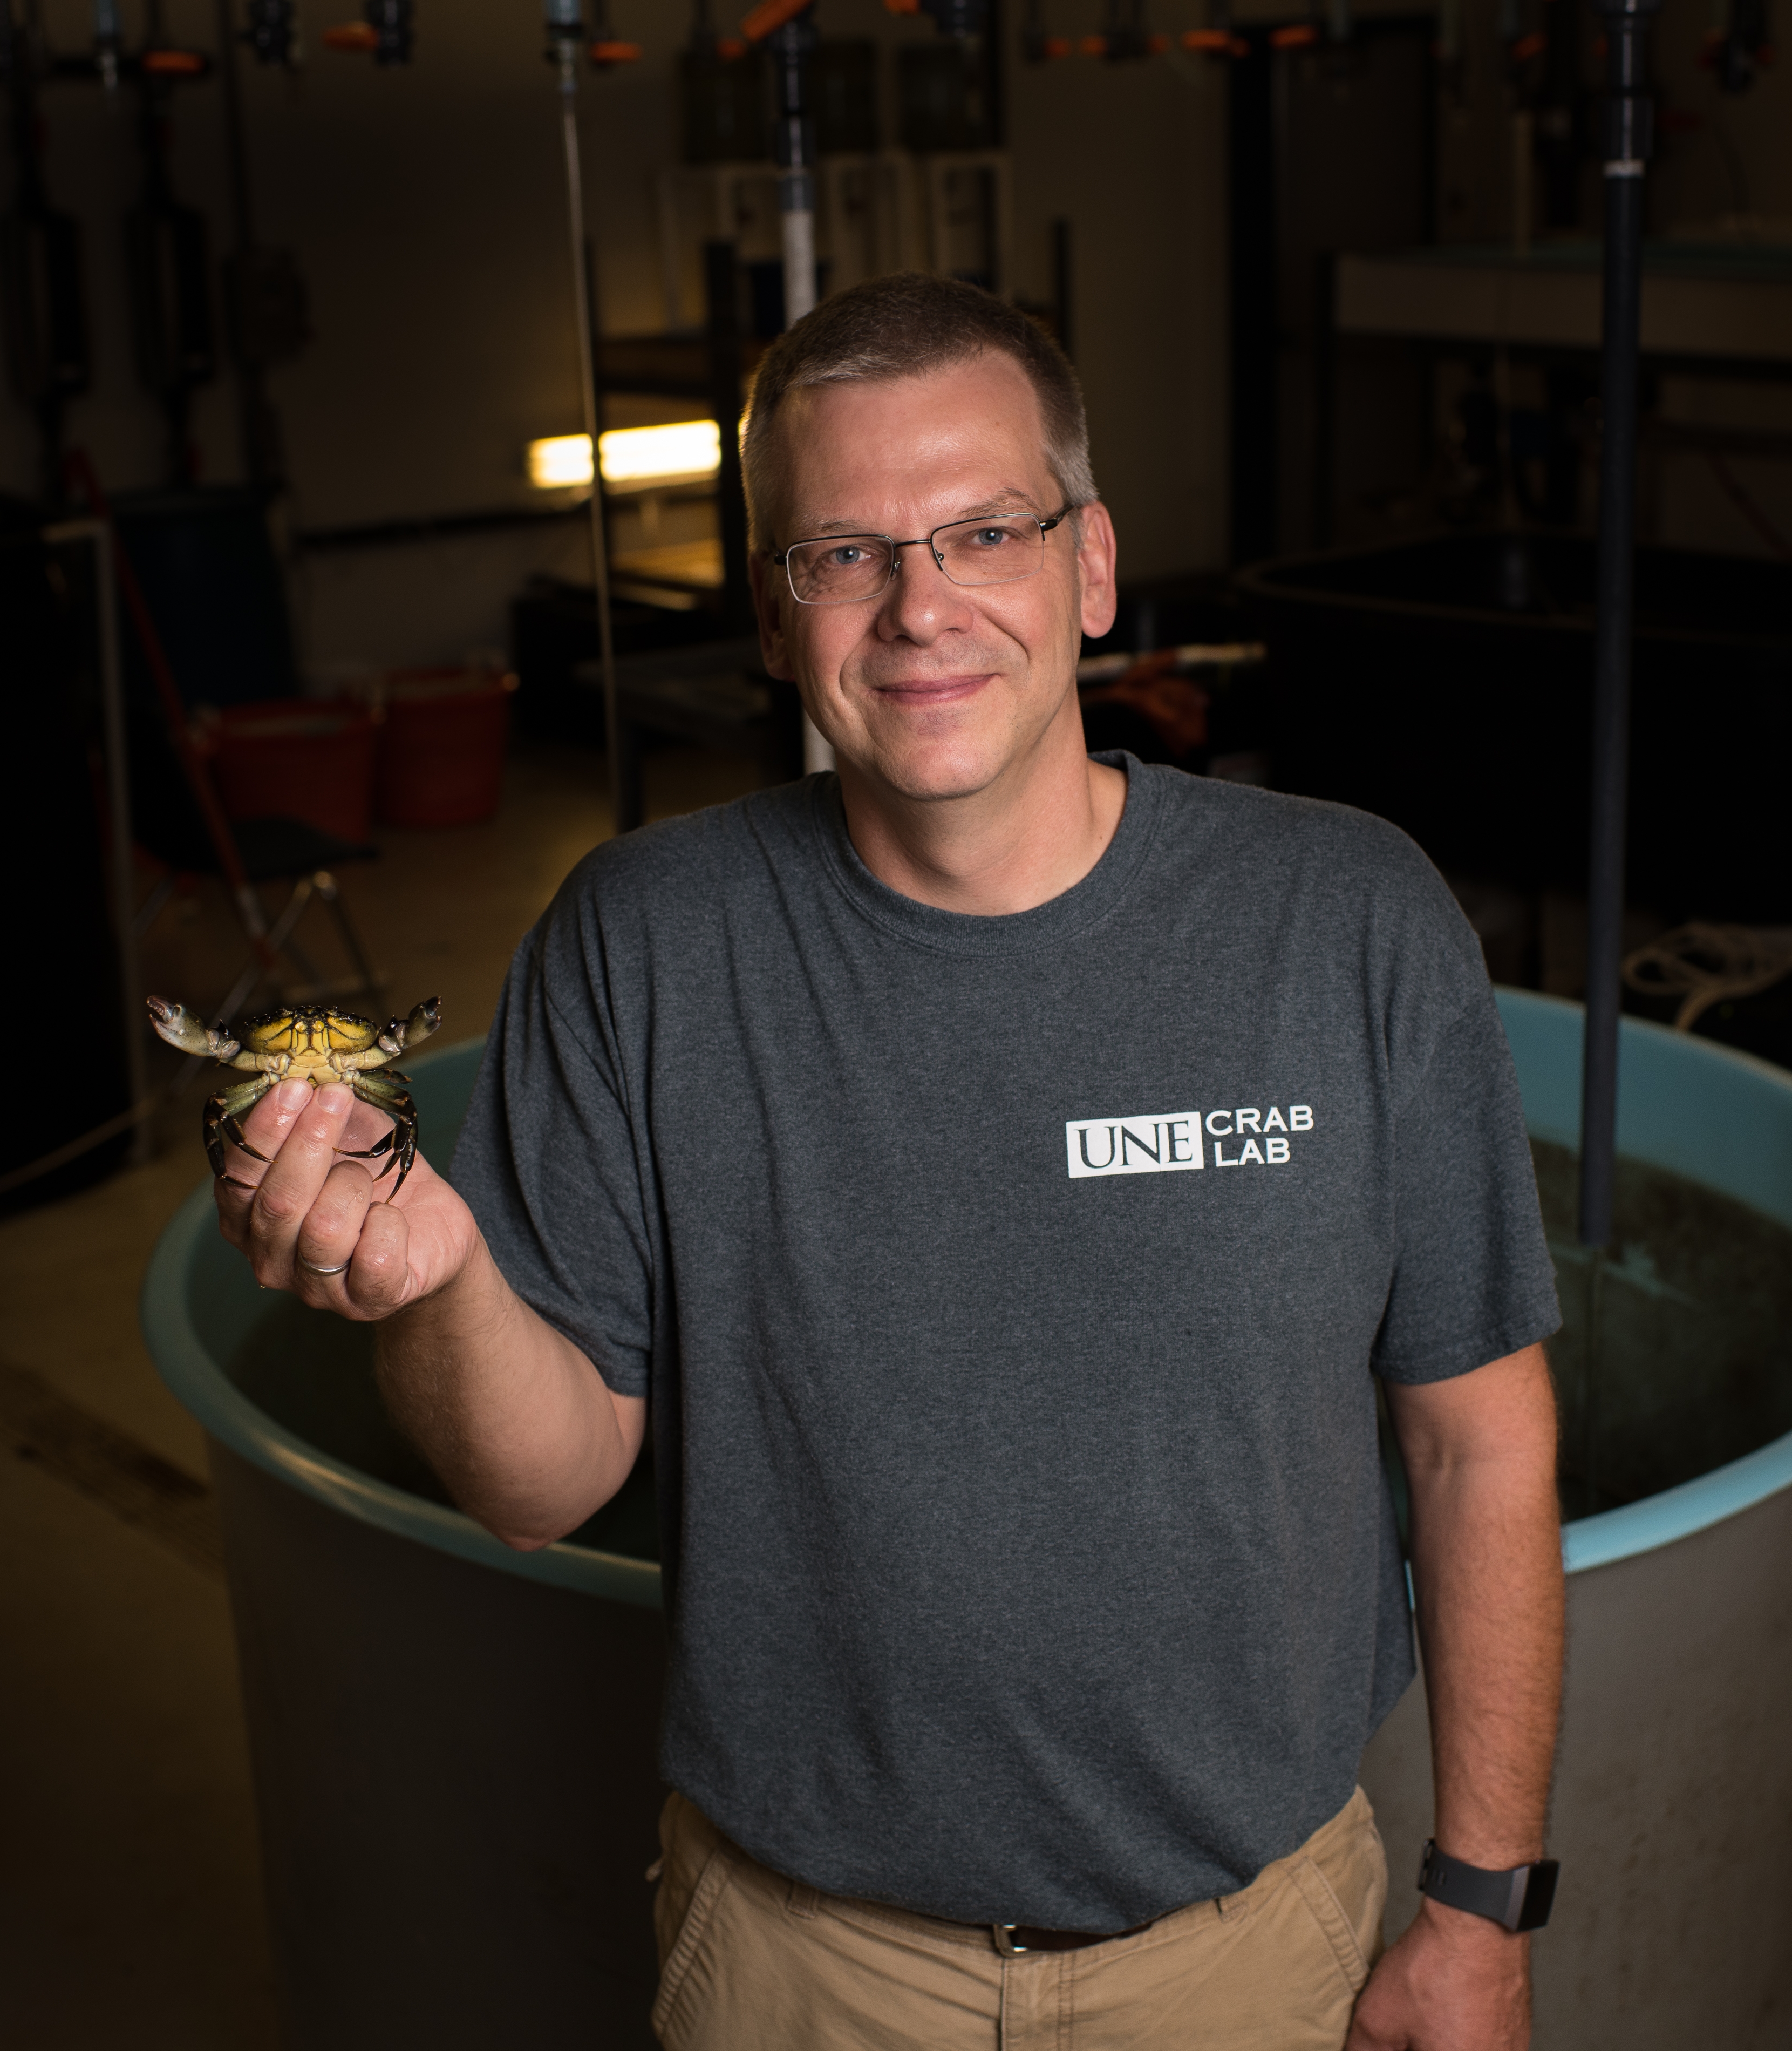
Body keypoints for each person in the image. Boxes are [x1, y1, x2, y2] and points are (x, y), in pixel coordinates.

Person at [210, 273, 1567, 2050]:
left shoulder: (1346, 918)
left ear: (1089, 568)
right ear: (775, 618)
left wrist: (1481, 1903)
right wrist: (441, 1284)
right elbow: (541, 1484)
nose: (918, 607)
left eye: (980, 531)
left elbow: (1478, 1439)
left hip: (1242, 1951)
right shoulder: (645, 942)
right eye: (840, 554)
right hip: (795, 1964)